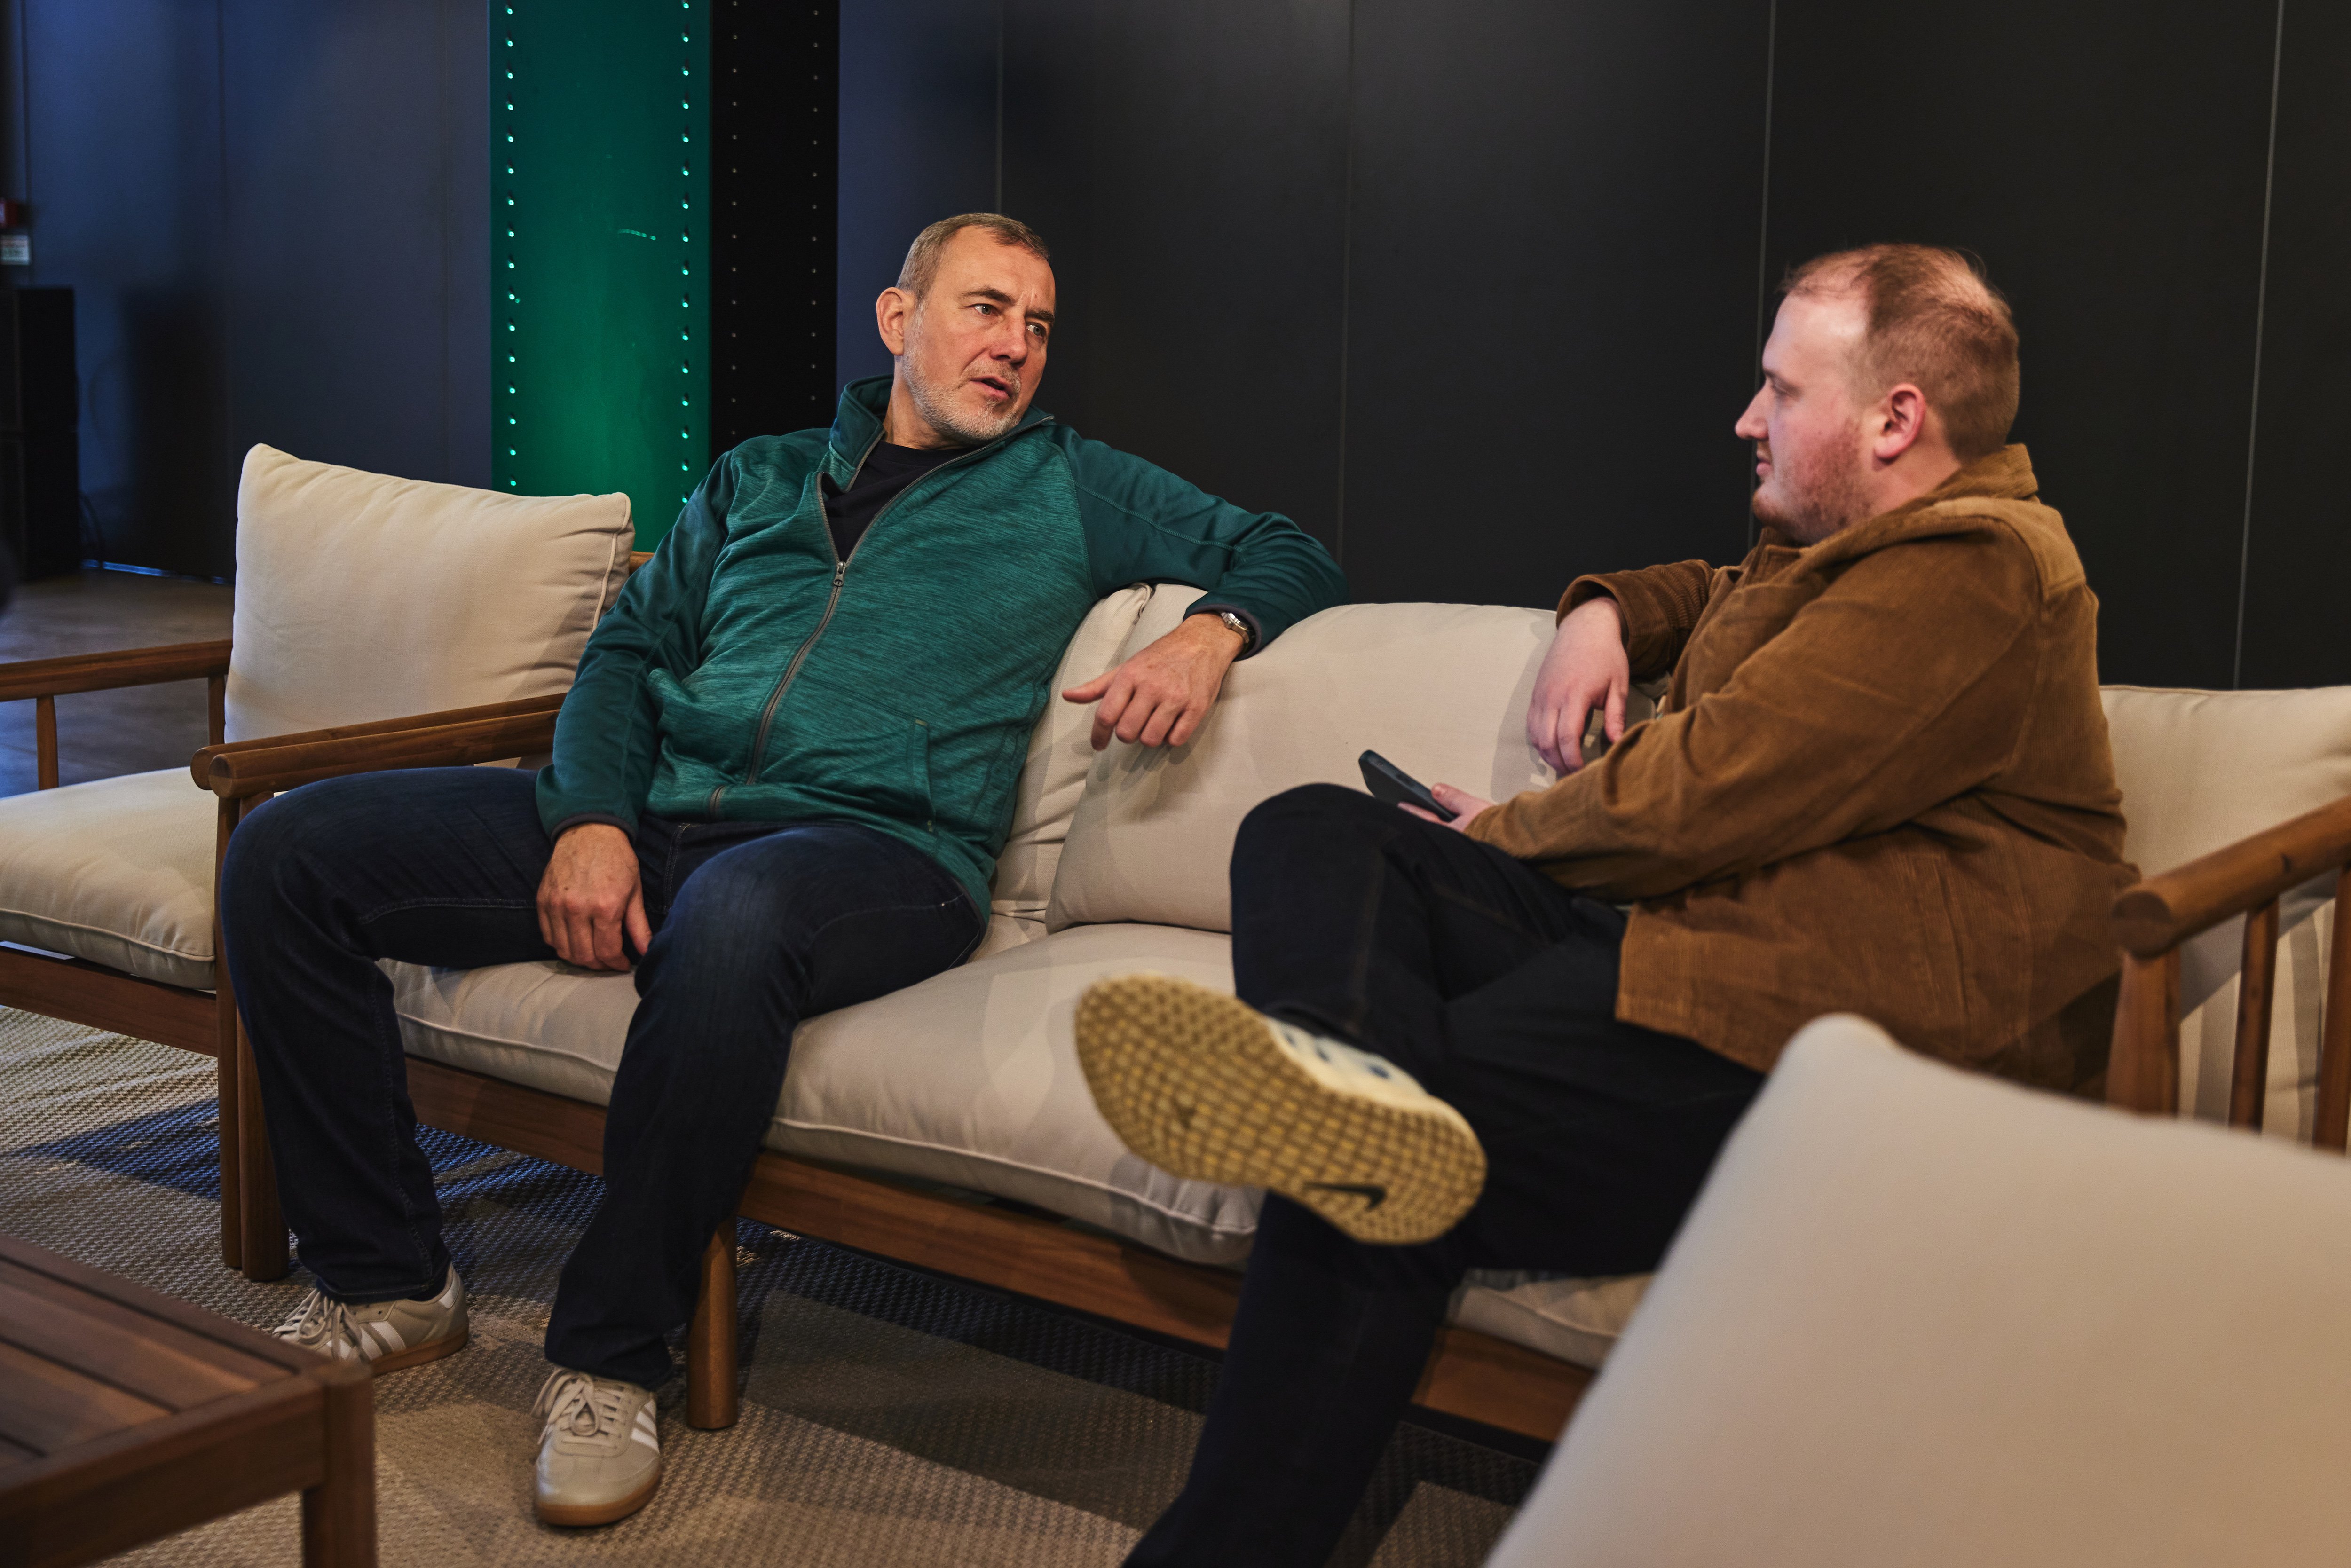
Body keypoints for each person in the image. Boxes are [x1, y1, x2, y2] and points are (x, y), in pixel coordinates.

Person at [220, 212, 1346, 1526]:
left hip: (881, 852)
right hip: (661, 812)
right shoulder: (757, 477)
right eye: (987, 309)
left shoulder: (1072, 483)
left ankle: (609, 1355)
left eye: (1039, 327)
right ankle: (387, 1281)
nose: (1016, 348)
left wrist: (1210, 634)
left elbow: (1292, 550)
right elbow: (630, 655)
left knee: (735, 913)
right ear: (898, 319)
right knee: (287, 852)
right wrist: (589, 820)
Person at [1073, 244, 2135, 1566]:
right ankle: (1346, 1082)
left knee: (1378, 1179)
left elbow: (1706, 791)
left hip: (1841, 1038)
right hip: (1705, 950)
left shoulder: (1975, 570)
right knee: (1317, 830)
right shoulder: (1844, 547)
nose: (1747, 418)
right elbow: (1715, 593)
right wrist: (1604, 615)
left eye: (1780, 390)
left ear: (1895, 419)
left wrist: (1504, 831)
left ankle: (1350, 1147)